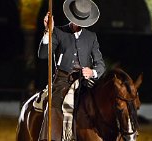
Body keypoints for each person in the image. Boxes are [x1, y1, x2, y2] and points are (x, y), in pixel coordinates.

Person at [38, 0, 105, 140]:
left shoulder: (91, 37)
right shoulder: (58, 32)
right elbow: (43, 55)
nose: (79, 24)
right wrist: (47, 32)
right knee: (53, 106)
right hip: (62, 80)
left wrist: (92, 72)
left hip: (84, 81)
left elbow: (100, 64)